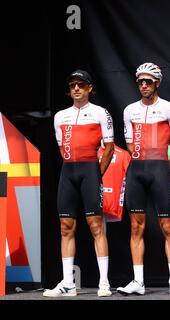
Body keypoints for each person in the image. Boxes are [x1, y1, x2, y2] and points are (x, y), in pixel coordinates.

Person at [44, 70, 115, 297]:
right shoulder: (60, 116)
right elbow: (61, 148)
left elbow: (110, 147)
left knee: (96, 226)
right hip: (68, 172)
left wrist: (97, 172)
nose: (76, 89)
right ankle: (67, 283)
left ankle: (104, 282)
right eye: (73, 85)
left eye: (81, 85)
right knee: (66, 227)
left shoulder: (100, 113)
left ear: (90, 88)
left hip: (90, 171)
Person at [117, 62, 170, 296]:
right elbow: (128, 142)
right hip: (136, 170)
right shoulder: (129, 110)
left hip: (159, 170)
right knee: (136, 227)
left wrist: (165, 168)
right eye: (140, 82)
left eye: (148, 81)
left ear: (157, 83)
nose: (144, 85)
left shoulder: (169, 108)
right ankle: (138, 281)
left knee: (168, 225)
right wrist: (142, 158)